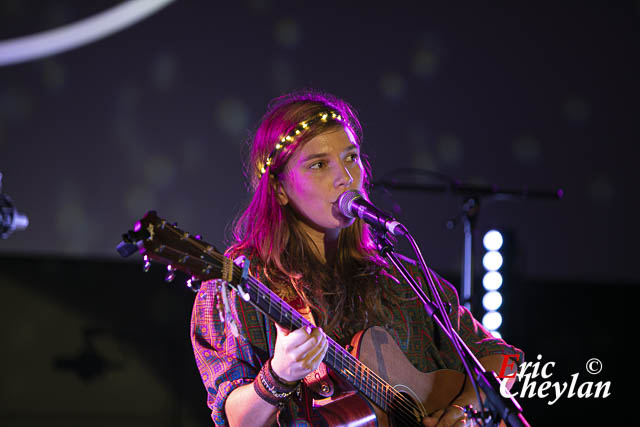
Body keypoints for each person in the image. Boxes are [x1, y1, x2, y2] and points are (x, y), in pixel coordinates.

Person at [190, 90, 524, 426]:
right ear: (279, 189)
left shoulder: (402, 281)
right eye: (319, 164)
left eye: (351, 158)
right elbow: (236, 420)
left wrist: (460, 415)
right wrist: (279, 375)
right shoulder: (236, 284)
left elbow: (505, 361)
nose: (345, 177)